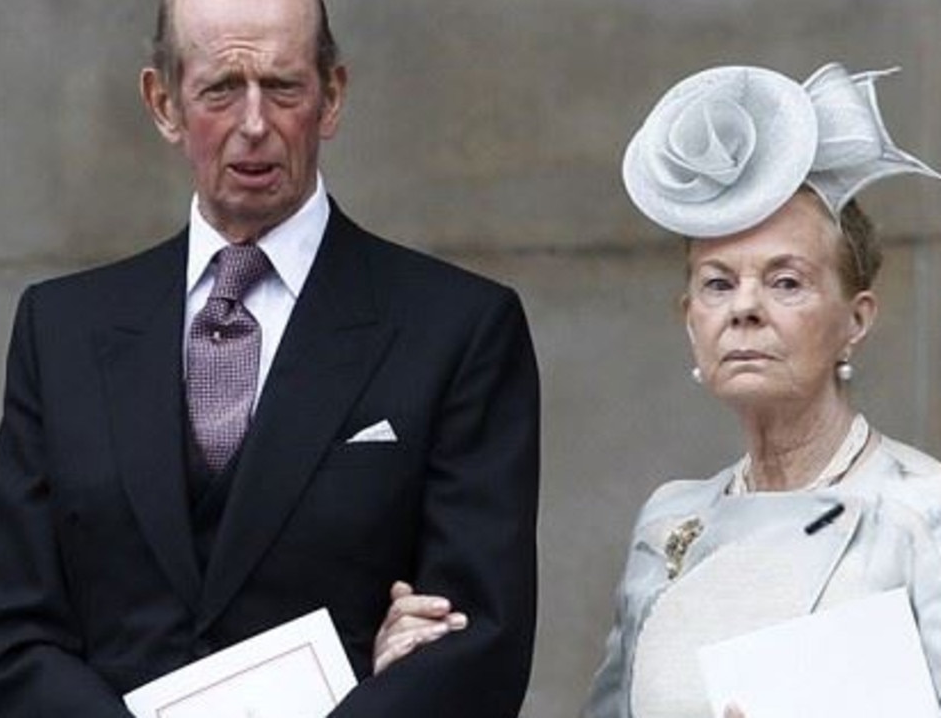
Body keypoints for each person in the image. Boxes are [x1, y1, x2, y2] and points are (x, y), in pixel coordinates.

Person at [0, 0, 540, 717]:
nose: (255, 124)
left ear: (332, 96)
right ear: (163, 103)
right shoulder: (62, 328)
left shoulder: (458, 328)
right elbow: (9, 633)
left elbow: (477, 640)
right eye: (221, 89)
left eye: (284, 86)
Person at [374, 62, 941, 716]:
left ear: (857, 319)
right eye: (718, 283)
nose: (745, 308)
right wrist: (418, 678)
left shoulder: (921, 514)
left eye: (786, 282)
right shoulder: (672, 522)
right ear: (689, 319)